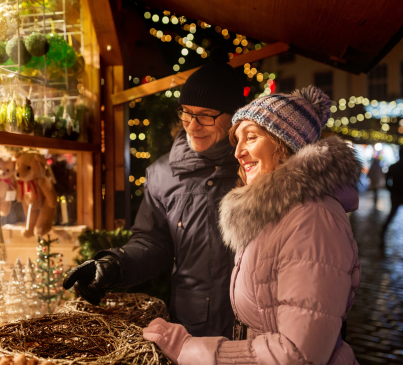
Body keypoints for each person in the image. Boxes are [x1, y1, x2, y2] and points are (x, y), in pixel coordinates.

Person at [143, 86, 362, 365]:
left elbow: (299, 353)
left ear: (285, 144)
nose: (238, 152)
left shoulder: (312, 219)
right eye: (236, 140)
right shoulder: (275, 214)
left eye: (251, 137)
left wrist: (189, 349)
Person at [63, 47, 246, 338]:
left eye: (206, 116)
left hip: (256, 332)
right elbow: (153, 242)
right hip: (195, 331)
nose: (193, 126)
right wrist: (113, 264)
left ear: (234, 117)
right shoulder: (163, 174)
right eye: (186, 114)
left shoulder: (256, 166)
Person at [381, 146, 403, 243]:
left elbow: (387, 181)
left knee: (391, 214)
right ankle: (382, 232)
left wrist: (391, 190)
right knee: (391, 214)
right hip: (397, 194)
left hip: (395, 194)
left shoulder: (393, 166)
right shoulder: (394, 167)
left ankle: (382, 232)